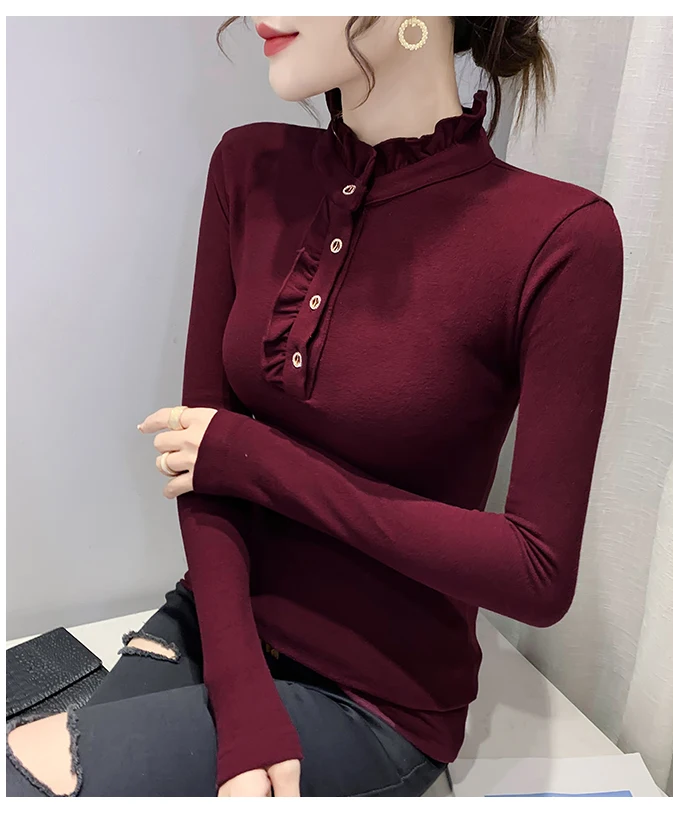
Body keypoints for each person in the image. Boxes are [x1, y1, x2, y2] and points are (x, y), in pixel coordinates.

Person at [6, 16, 624, 797]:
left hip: (376, 698)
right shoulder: (249, 166)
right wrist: (240, 693)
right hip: (215, 622)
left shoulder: (561, 237)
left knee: (31, 777)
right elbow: (199, 460)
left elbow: (536, 572)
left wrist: (259, 460)